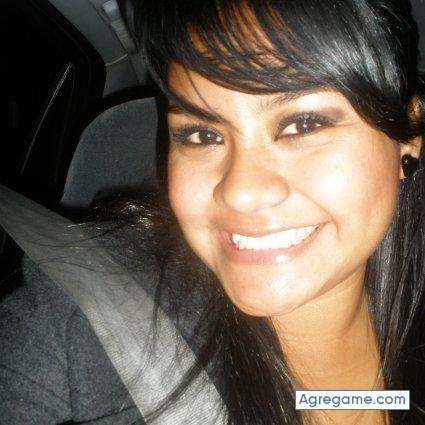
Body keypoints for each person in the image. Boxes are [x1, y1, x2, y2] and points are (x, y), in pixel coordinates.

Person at [1, 0, 425, 424]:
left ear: (409, 132)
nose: (241, 192)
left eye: (303, 125)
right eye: (202, 135)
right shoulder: (86, 317)